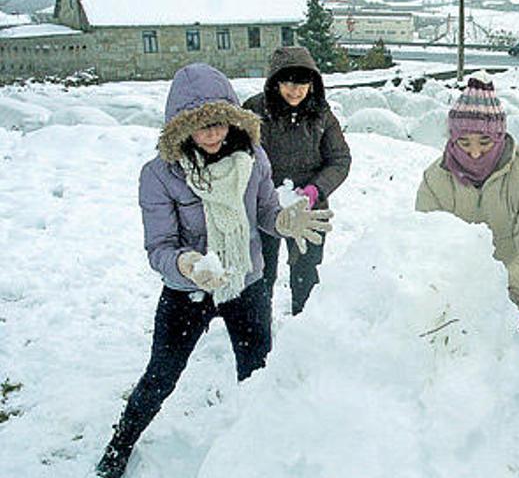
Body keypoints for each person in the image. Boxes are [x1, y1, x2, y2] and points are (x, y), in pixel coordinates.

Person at [95, 63, 333, 478]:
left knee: (256, 376)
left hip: (247, 283)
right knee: (161, 376)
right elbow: (160, 247)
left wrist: (283, 222)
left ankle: (259, 453)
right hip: (189, 291)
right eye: (200, 126)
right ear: (180, 128)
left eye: (221, 123)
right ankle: (121, 443)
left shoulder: (252, 158)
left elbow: (264, 212)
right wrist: (188, 265)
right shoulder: (159, 175)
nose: (213, 134)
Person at [415, 73, 519, 433]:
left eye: (485, 141)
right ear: (452, 138)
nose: (475, 152)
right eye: (465, 141)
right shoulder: (435, 179)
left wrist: (504, 292)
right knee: (468, 353)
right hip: (463, 287)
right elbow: (426, 240)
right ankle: (485, 417)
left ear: (500, 135)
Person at [243, 46, 351, 315]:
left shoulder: (321, 114)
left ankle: (303, 326)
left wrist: (315, 190)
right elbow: (238, 156)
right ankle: (258, 325)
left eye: (303, 83)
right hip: (263, 205)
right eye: (289, 82)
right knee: (260, 271)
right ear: (275, 81)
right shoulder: (254, 111)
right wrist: (260, 190)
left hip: (308, 208)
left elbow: (340, 159)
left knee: (306, 270)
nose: (296, 90)